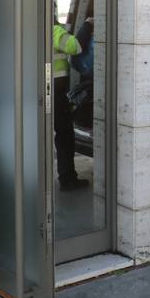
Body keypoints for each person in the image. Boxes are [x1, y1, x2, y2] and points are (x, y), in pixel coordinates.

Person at [52, 18, 87, 190]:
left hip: (41, 89)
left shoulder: (30, 30)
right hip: (55, 91)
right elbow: (76, 46)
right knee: (65, 135)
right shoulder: (53, 31)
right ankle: (67, 179)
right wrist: (87, 24)